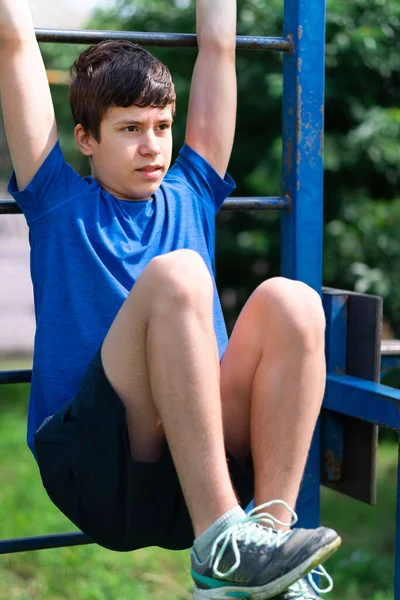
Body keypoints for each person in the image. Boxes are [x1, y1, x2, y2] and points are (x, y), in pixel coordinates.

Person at [0, 0, 341, 598]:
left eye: (161, 126)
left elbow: (218, 45)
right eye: (130, 129)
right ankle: (221, 548)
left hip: (196, 468)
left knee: (294, 300)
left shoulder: (190, 193)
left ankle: (266, 548)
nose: (152, 146)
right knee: (181, 275)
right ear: (86, 138)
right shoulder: (58, 203)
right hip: (96, 466)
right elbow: (14, 44)